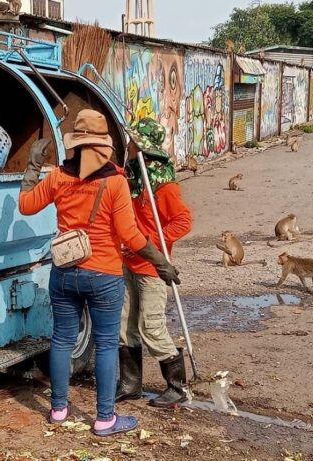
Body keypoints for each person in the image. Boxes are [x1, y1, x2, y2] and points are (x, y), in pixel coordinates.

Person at [19, 109, 180, 437]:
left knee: (62, 339)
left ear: (76, 144)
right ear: (104, 146)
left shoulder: (59, 177)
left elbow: (26, 205)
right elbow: (131, 236)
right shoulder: (115, 182)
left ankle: (58, 409)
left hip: (64, 272)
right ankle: (105, 419)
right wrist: (160, 262)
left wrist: (33, 165)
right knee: (106, 344)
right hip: (104, 275)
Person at [116, 118, 193, 408]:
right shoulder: (132, 177)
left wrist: (153, 245)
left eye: (132, 142)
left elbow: (183, 221)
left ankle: (177, 386)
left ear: (143, 147)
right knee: (126, 325)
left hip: (151, 267)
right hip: (129, 264)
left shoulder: (163, 185)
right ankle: (130, 384)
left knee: (151, 326)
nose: (127, 146)